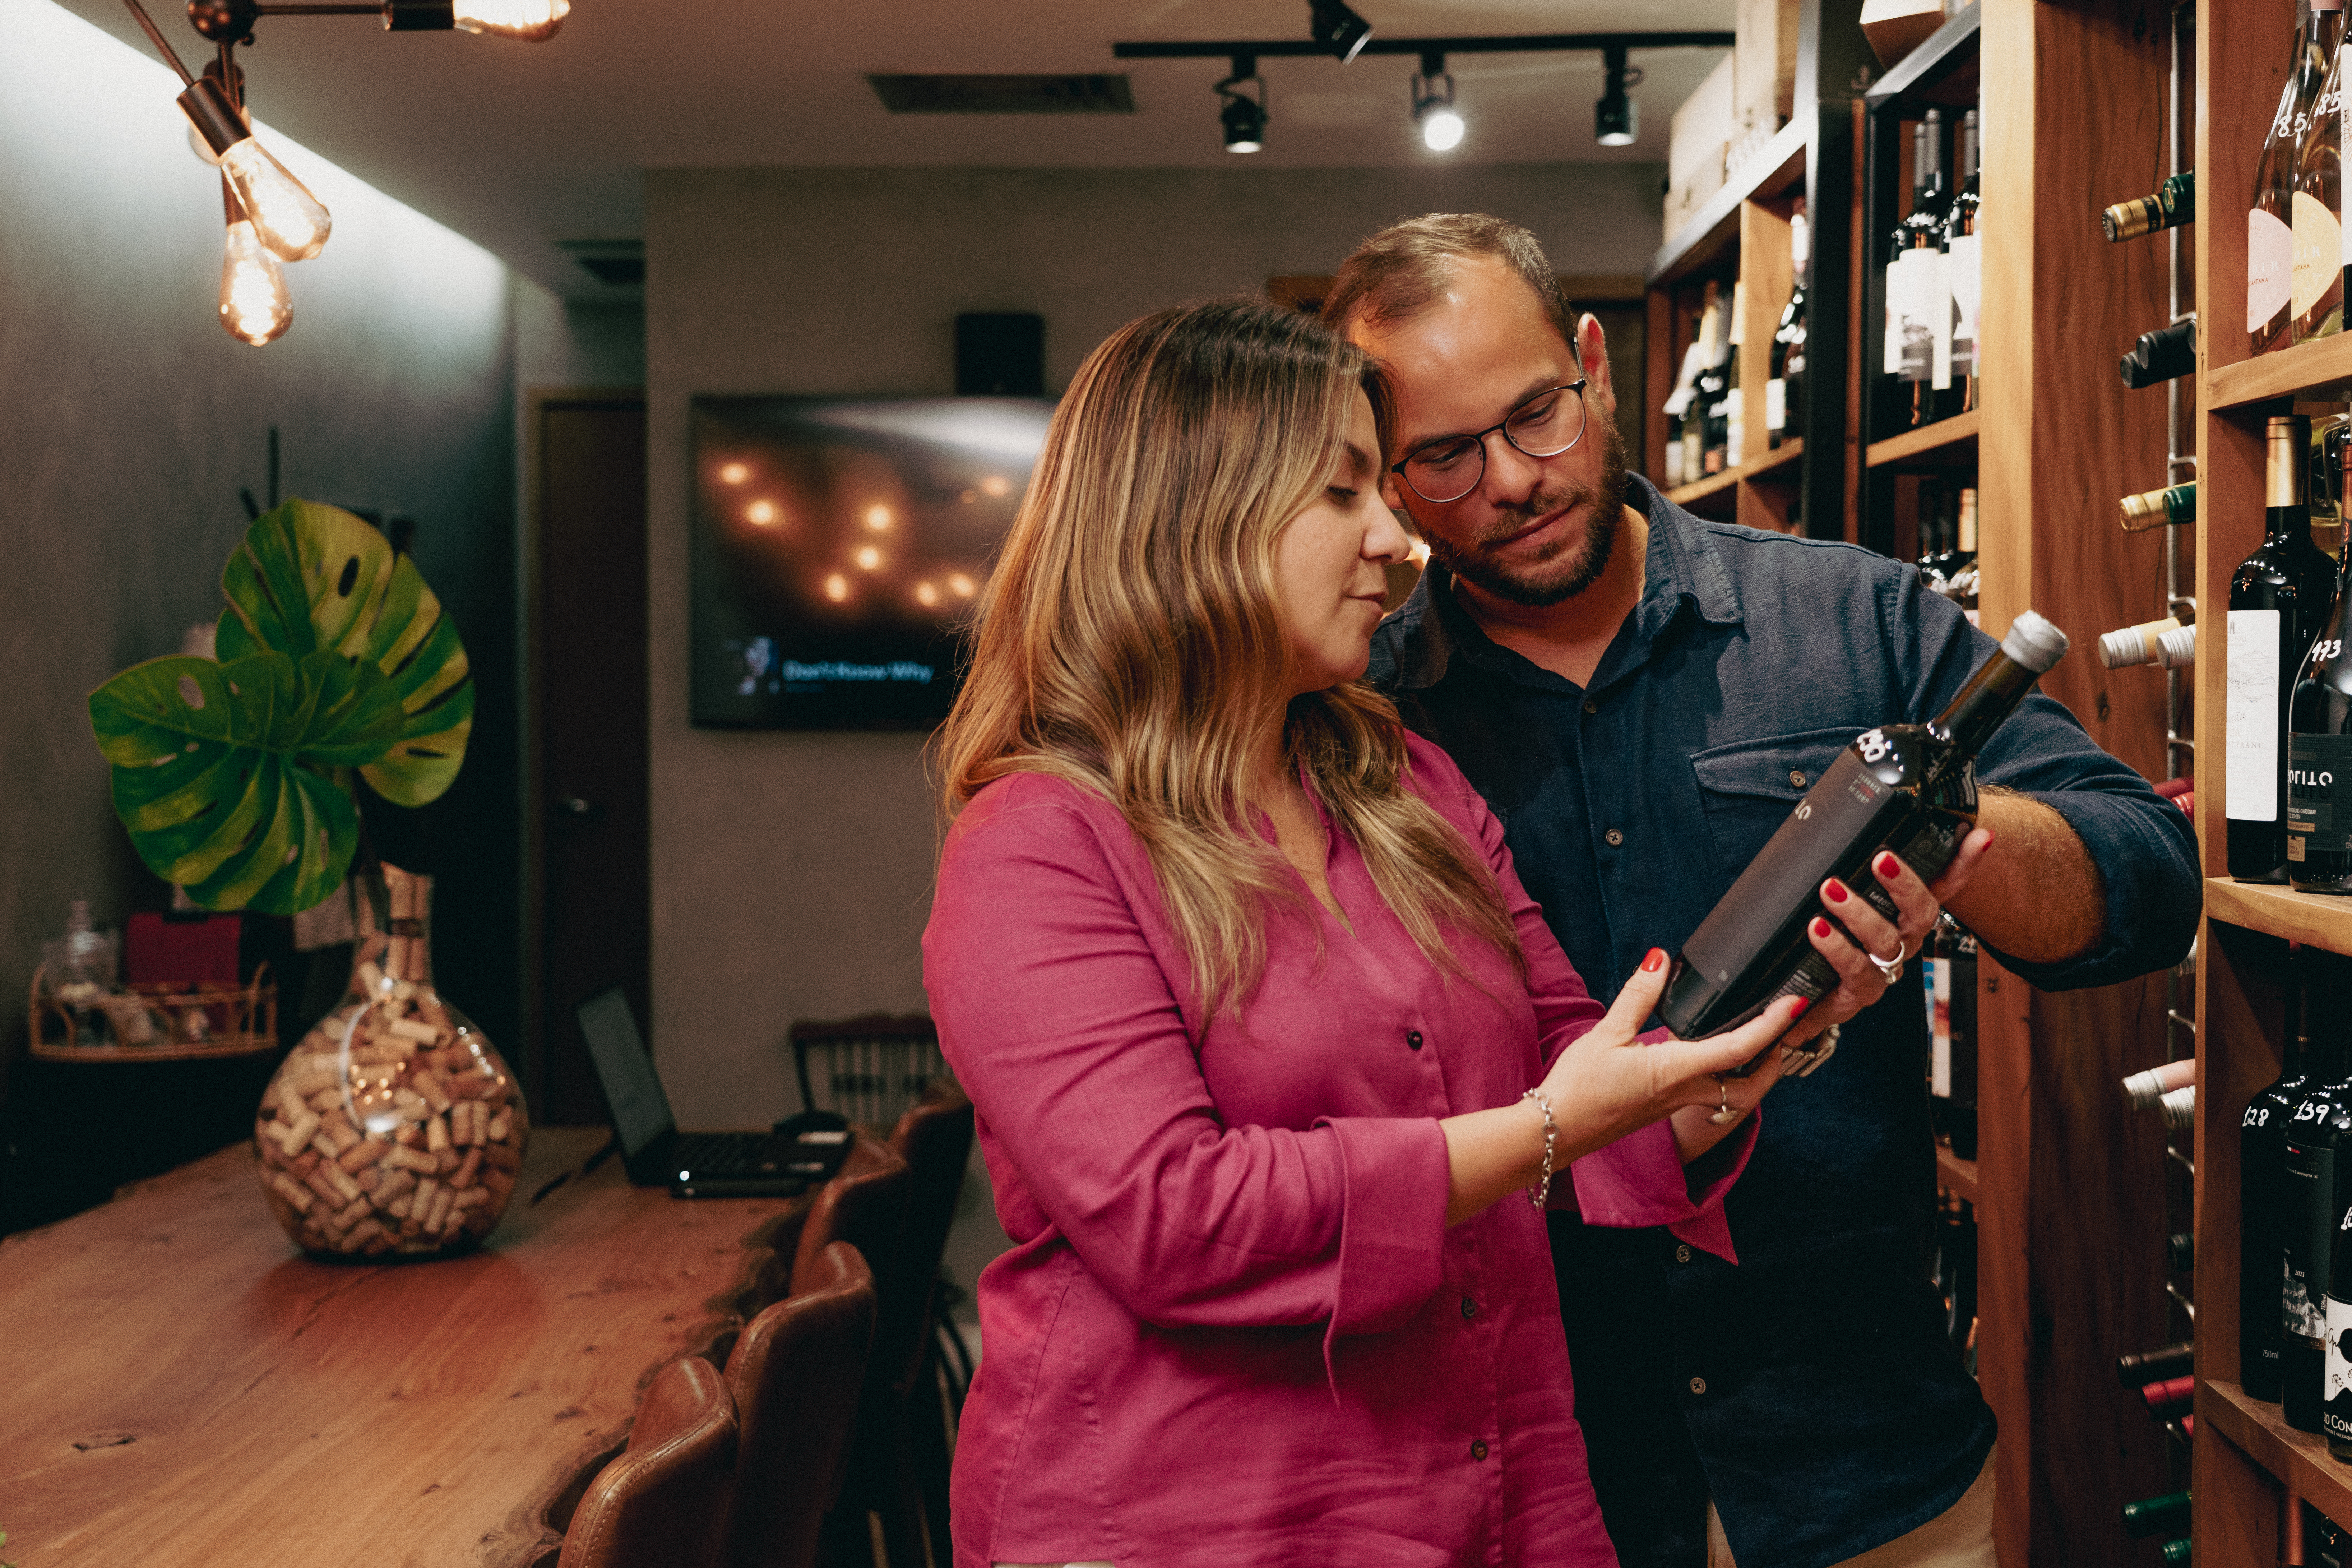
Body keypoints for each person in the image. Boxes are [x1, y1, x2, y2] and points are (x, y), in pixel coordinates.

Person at [921, 300, 1893, 1567]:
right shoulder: (1039, 843)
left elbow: (1572, 1074)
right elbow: (1176, 1218)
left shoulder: (1402, 783)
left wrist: (1758, 1034)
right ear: (1185, 522)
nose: (1399, 543)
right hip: (1186, 1520)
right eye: (1340, 498)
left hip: (1487, 1483)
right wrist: (1559, 1122)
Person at [1325, 215, 2202, 1568]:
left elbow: (2145, 887)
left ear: (1594, 363)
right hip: (1533, 1483)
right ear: (1381, 474)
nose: (1510, 480)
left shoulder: (1848, 618)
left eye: (1536, 416)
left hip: (1862, 1459)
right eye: (1441, 456)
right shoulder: (1365, 712)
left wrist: (1956, 841)